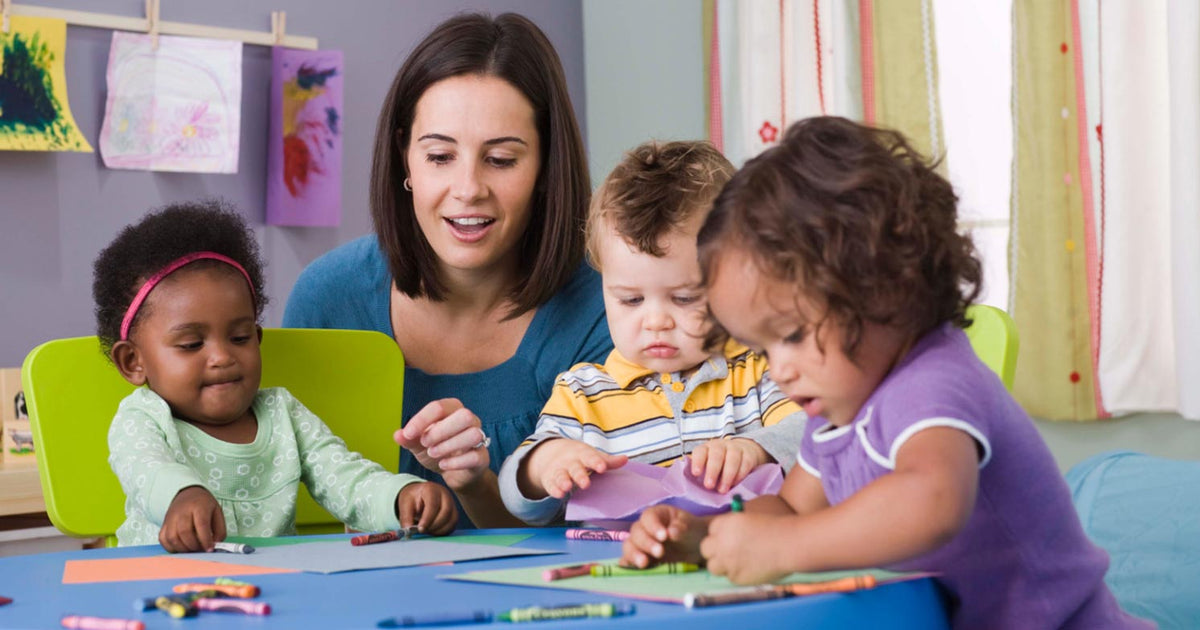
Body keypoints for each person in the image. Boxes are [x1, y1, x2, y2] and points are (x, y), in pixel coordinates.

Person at [620, 117, 1152, 629]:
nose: (779, 369)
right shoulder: (839, 407)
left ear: (882, 284)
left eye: (794, 335)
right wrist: (706, 537)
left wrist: (782, 548)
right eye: (761, 348)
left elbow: (933, 499)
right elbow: (788, 508)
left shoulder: (934, 380)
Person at [282, 13, 610, 528]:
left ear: (547, 167)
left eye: (500, 160)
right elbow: (286, 508)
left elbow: (589, 538)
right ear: (404, 159)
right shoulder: (328, 298)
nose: (467, 188)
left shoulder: (607, 311)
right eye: (439, 156)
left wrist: (473, 481)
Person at [95, 201, 457, 552]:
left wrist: (400, 497)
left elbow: (344, 477)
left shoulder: (282, 413)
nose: (222, 357)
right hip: (163, 588)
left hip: (272, 590)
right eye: (191, 344)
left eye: (240, 338)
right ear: (133, 361)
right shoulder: (142, 419)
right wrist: (181, 495)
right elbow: (147, 470)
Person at [499, 141, 805, 525]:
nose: (655, 321)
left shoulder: (757, 368)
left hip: (735, 563)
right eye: (630, 300)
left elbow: (817, 435)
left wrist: (756, 448)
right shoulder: (583, 395)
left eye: (684, 297)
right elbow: (515, 495)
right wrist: (546, 464)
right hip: (619, 570)